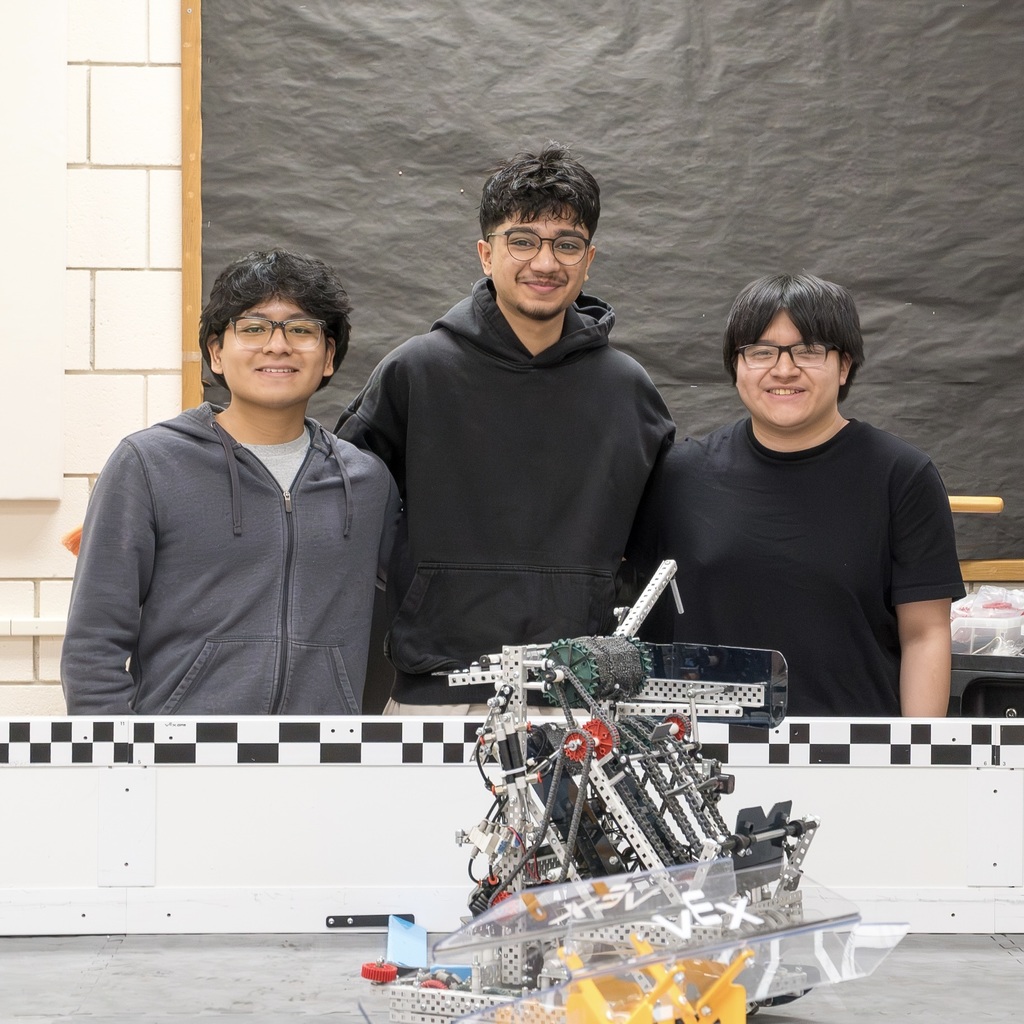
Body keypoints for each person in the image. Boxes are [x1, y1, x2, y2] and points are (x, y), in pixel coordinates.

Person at [335, 143, 675, 713]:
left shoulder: (627, 390)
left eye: (566, 244)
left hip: (580, 703)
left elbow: (659, 544)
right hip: (435, 693)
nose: (545, 262)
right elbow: (341, 509)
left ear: (588, 260)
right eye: (522, 240)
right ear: (485, 254)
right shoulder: (416, 371)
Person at [61, 249, 400, 715]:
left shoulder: (366, 481)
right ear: (216, 352)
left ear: (328, 357)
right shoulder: (147, 464)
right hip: (179, 758)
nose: (277, 346)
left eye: (301, 329)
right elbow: (92, 645)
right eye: (254, 328)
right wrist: (124, 763)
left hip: (323, 760)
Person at [631, 273, 964, 717]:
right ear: (737, 365)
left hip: (853, 754)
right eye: (761, 351)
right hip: (704, 759)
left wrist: (917, 760)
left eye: (808, 350)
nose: (783, 370)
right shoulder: (679, 475)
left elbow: (925, 635)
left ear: (844, 364)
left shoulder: (901, 476)